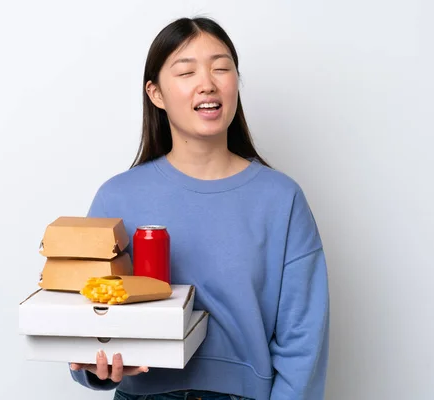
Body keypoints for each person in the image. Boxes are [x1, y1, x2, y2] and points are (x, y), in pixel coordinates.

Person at [69, 16, 330, 400]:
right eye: (186, 71)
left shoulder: (281, 199)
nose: (208, 83)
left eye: (221, 68)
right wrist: (95, 369)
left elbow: (303, 338)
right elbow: (86, 320)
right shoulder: (116, 198)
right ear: (155, 94)